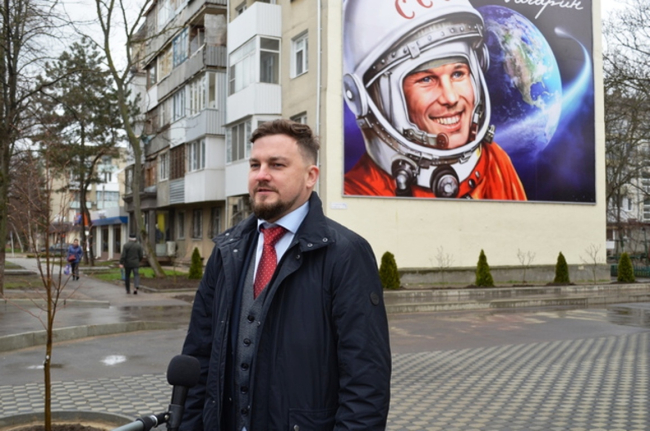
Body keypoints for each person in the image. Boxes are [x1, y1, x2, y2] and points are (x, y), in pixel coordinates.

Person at [180, 119, 391, 430]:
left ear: (310, 176)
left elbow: (365, 379)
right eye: (255, 165)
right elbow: (199, 357)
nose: (261, 175)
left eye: (277, 165)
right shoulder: (227, 251)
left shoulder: (345, 254)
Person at [343, 0, 527, 200]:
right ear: (363, 98)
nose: (450, 97)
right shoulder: (354, 195)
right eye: (426, 79)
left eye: (458, 74)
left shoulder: (494, 163)